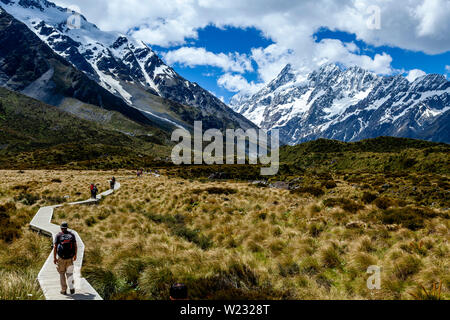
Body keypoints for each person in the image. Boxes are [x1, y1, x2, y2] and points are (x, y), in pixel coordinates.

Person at [53, 222, 77, 295]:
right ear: (67, 227)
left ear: (61, 228)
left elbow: (55, 247)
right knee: (69, 273)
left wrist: (54, 258)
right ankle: (71, 287)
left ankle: (64, 290)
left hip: (61, 258)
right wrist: (75, 255)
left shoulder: (58, 235)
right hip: (70, 258)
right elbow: (75, 246)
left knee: (62, 273)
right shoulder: (72, 235)